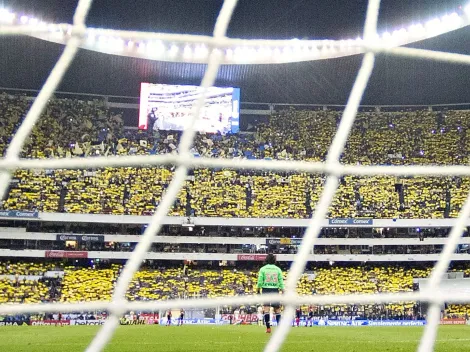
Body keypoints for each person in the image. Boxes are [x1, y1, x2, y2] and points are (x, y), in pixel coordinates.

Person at [257, 254, 284, 333]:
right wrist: (283, 290)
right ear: (274, 260)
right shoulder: (278, 269)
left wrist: (258, 289)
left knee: (266, 309)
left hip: (266, 290)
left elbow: (260, 281)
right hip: (275, 290)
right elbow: (281, 281)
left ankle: (268, 328)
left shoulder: (263, 269)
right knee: (277, 309)